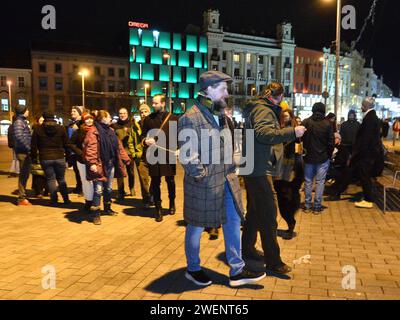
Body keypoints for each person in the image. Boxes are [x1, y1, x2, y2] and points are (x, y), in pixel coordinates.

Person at [178, 70, 266, 287]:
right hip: (204, 185)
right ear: (208, 89)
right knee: (196, 226)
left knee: (233, 221)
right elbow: (188, 157)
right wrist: (203, 175)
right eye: (222, 89)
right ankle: (193, 268)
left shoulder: (222, 117)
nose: (227, 93)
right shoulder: (190, 118)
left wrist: (234, 164)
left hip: (228, 180)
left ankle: (237, 270)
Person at [241, 82, 306, 275]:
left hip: (254, 165)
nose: (283, 102)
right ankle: (273, 261)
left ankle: (247, 249)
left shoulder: (259, 107)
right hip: (257, 168)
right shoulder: (264, 110)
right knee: (269, 214)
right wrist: (293, 132)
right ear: (275, 97)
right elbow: (264, 134)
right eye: (282, 98)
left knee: (254, 211)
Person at [327, 97, 384, 209]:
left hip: (365, 155)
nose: (361, 107)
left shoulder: (370, 118)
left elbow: (365, 139)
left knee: (362, 175)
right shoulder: (372, 117)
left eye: (362, 105)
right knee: (350, 172)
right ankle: (336, 192)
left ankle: (368, 200)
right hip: (364, 154)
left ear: (366, 106)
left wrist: (355, 153)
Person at [84, 111, 130, 225]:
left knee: (108, 189)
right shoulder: (93, 132)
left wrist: (126, 158)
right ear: (103, 119)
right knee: (98, 190)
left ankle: (107, 208)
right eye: (109, 117)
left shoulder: (111, 131)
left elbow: (118, 147)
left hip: (110, 164)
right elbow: (91, 149)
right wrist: (93, 163)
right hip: (99, 165)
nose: (111, 119)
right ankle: (95, 214)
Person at [141, 94, 178, 222]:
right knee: (155, 182)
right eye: (153, 103)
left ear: (163, 104)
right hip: (154, 156)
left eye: (155, 103)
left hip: (169, 155)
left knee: (171, 181)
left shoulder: (173, 118)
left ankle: (172, 202)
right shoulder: (148, 119)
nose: (153, 105)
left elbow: (179, 137)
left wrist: (179, 148)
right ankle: (158, 208)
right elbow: (142, 136)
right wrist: (145, 141)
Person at [273, 108, 304, 240]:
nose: (284, 118)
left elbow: (298, 147)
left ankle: (290, 224)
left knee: (285, 192)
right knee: (283, 189)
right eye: (283, 116)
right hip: (280, 163)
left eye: (287, 116)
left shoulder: (293, 131)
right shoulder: (280, 129)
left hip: (288, 162)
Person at [31, 112, 71, 206]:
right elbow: (67, 144)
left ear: (44, 118)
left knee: (50, 179)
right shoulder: (61, 128)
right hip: (59, 156)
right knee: (61, 179)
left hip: (45, 157)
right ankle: (66, 199)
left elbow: (33, 145)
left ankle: (54, 200)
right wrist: (68, 157)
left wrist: (34, 158)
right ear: (53, 117)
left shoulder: (38, 129)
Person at [301, 103, 334, 214]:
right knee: (320, 182)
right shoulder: (327, 124)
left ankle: (307, 205)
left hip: (308, 157)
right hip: (323, 157)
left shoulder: (306, 122)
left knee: (308, 181)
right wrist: (329, 156)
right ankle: (317, 206)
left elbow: (299, 138)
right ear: (324, 111)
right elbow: (331, 142)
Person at [69, 112, 95, 212]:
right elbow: (71, 144)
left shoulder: (96, 130)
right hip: (82, 160)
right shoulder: (79, 131)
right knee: (85, 181)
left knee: (94, 181)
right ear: (83, 120)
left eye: (91, 118)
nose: (89, 120)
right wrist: (80, 153)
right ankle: (88, 201)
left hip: (94, 160)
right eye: (87, 119)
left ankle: (94, 200)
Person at [112, 108, 136, 201]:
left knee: (131, 172)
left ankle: (132, 188)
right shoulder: (115, 126)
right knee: (120, 173)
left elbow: (134, 138)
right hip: (119, 153)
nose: (122, 115)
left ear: (127, 114)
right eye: (120, 113)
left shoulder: (132, 125)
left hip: (129, 152)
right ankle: (120, 191)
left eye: (124, 113)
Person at [13, 105, 32, 206]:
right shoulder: (19, 122)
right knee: (23, 175)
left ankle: (23, 195)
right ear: (23, 111)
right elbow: (19, 136)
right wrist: (28, 147)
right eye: (27, 110)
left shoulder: (22, 121)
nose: (28, 111)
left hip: (24, 151)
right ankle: (21, 198)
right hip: (23, 152)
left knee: (25, 175)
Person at [136, 104, 153, 209]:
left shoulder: (154, 123)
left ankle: (152, 197)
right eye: (141, 112)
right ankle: (146, 199)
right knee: (143, 179)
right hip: (141, 156)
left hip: (153, 155)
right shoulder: (136, 125)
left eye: (145, 111)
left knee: (155, 179)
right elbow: (132, 140)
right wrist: (134, 153)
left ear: (149, 112)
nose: (143, 114)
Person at [66, 106, 84, 194]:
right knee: (76, 171)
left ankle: (81, 188)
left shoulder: (81, 123)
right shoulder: (71, 123)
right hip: (72, 150)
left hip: (78, 150)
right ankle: (78, 186)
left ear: (79, 113)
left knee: (80, 170)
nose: (72, 113)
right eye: (72, 111)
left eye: (74, 111)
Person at [31, 116, 48, 198]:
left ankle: (46, 190)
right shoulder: (35, 130)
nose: (42, 122)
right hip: (38, 155)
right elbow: (33, 143)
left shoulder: (47, 129)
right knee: (37, 174)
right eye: (41, 120)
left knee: (46, 173)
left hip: (45, 154)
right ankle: (38, 191)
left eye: (43, 120)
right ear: (38, 121)